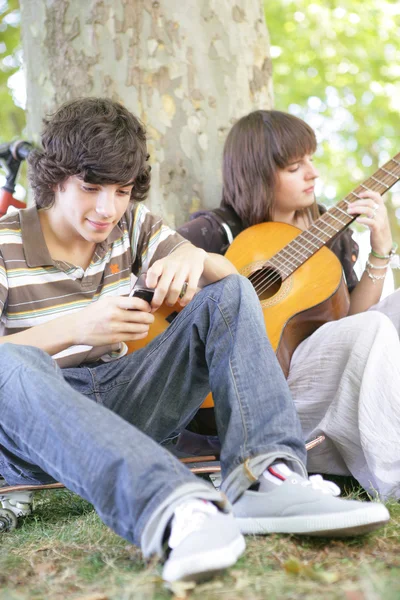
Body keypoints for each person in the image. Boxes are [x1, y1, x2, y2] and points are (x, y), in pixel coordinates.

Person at [0, 99, 390, 585]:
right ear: (55, 178)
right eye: (90, 188)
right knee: (6, 363)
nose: (107, 209)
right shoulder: (5, 243)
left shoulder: (134, 225)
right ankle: (174, 507)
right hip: (36, 423)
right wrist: (79, 328)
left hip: (129, 396)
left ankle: (265, 476)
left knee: (230, 291)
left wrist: (192, 257)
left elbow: (228, 279)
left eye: (121, 191)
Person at [178, 109, 400, 502]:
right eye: (295, 166)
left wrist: (380, 249)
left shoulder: (329, 232)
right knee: (373, 330)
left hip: (329, 380)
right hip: (258, 398)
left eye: (311, 160)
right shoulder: (217, 231)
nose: (313, 173)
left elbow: (352, 324)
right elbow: (160, 290)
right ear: (257, 173)